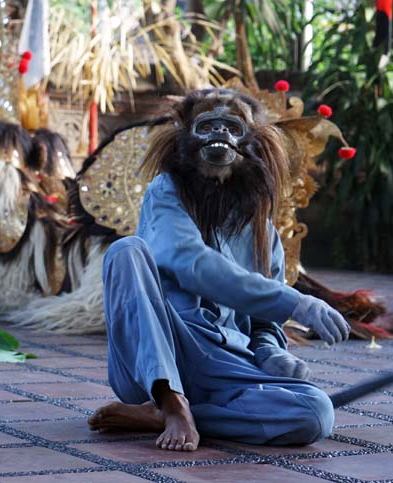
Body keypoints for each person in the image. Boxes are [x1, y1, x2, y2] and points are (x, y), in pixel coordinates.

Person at [88, 89, 350, 451]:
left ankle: (164, 416)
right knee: (126, 251)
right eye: (207, 126)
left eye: (232, 127)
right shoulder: (166, 193)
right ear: (184, 139)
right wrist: (296, 303)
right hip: (164, 346)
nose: (219, 137)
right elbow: (190, 262)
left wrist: (273, 354)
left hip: (226, 363)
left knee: (316, 413)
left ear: (254, 142)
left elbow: (263, 327)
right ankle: (170, 403)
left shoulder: (264, 231)